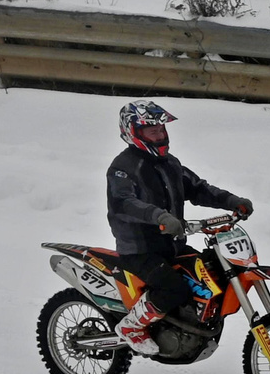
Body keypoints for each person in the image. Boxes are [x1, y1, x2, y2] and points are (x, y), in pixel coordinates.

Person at [105, 101, 252, 356]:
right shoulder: (123, 168)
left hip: (172, 245)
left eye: (161, 130)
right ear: (133, 132)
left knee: (210, 273)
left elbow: (197, 188)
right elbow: (124, 203)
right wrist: (159, 216)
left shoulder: (169, 163)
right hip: (140, 250)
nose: (160, 135)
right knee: (173, 288)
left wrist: (232, 201)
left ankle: (188, 327)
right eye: (153, 131)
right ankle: (132, 327)